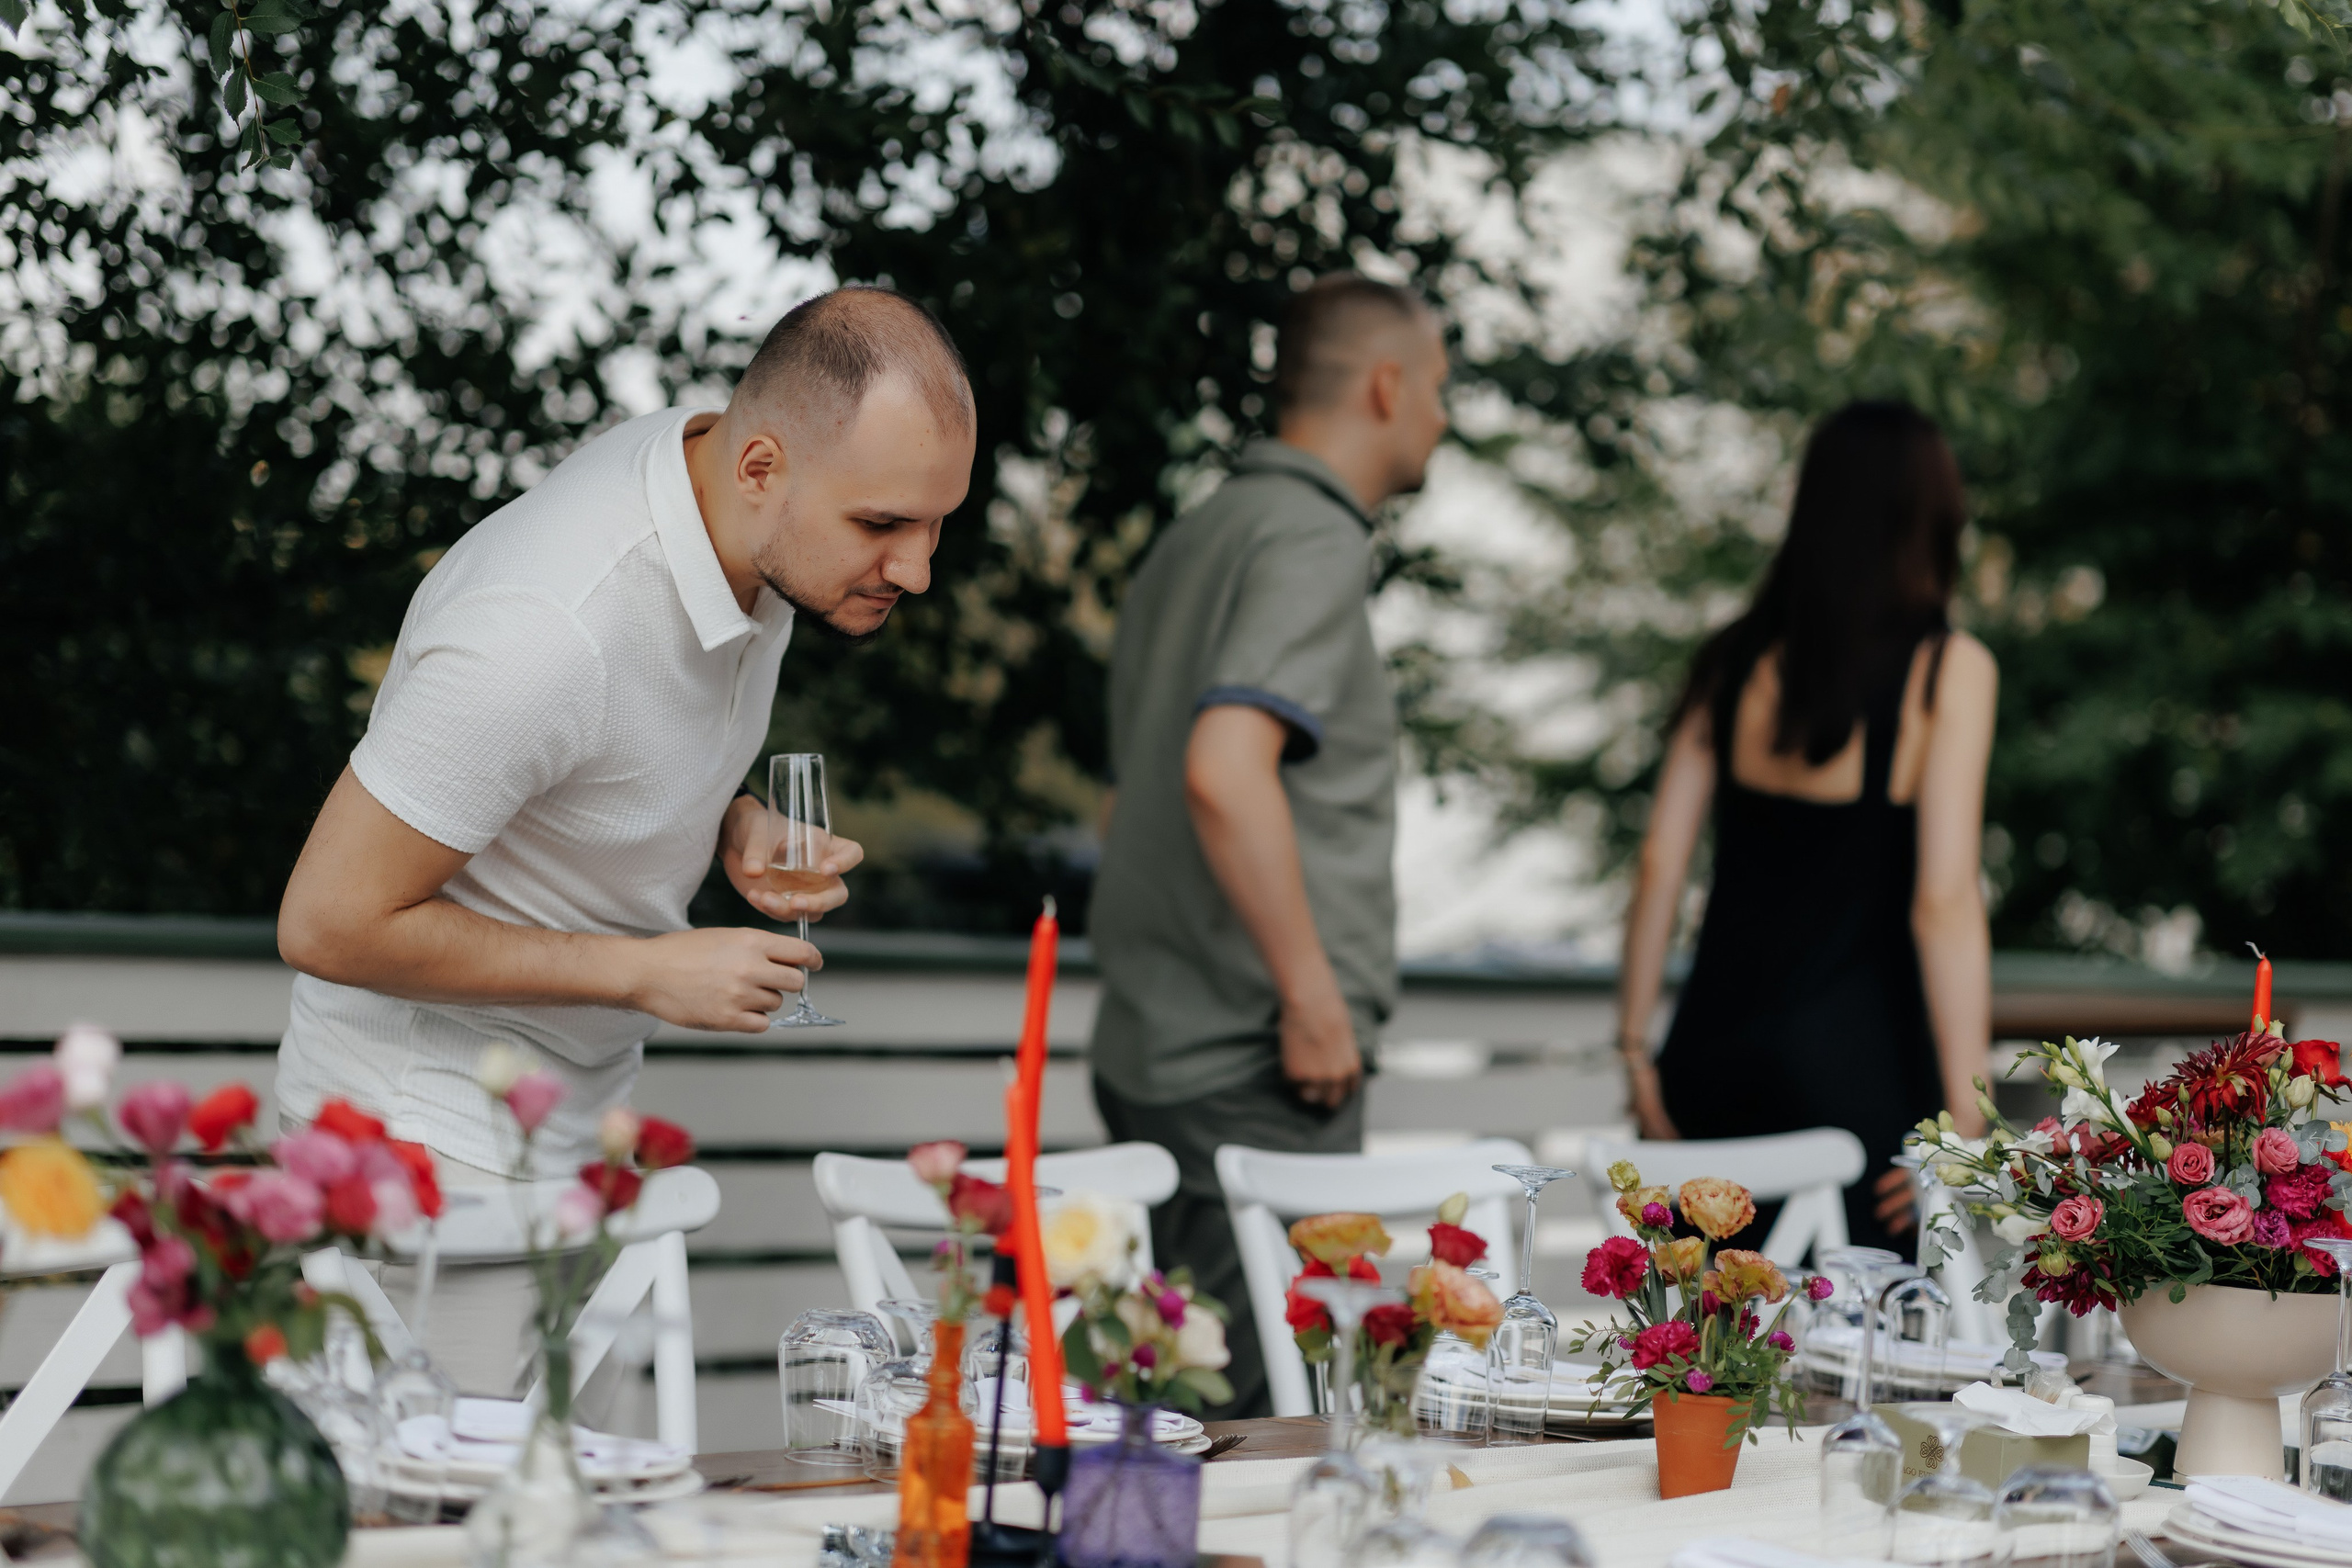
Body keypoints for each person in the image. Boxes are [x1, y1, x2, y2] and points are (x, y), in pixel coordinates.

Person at [274, 286, 975, 1390]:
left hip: (578, 1144)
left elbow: (612, 746)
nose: (917, 569)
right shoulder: (542, 630)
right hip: (426, 1161)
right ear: (760, 467)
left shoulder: (739, 508)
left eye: (938, 524)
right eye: (883, 526)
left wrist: (730, 819)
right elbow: (326, 920)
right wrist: (648, 971)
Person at [1088, 274, 1450, 1416]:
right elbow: (1221, 766)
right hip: (1255, 1066)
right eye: (1437, 389)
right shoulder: (1312, 535)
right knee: (1251, 1446)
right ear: (1387, 386)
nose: (1441, 416)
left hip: (1157, 1046)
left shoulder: (1201, 534)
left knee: (1171, 1419)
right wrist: (1312, 998)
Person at [1613, 400, 1996, 1257]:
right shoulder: (1948, 669)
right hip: (1858, 1077)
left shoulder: (1733, 659)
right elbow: (1943, 900)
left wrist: (1636, 1051)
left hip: (1706, 1059)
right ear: (1931, 518)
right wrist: (1966, 1120)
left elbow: (1658, 861)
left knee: (1700, 1345)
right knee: (1858, 1362)